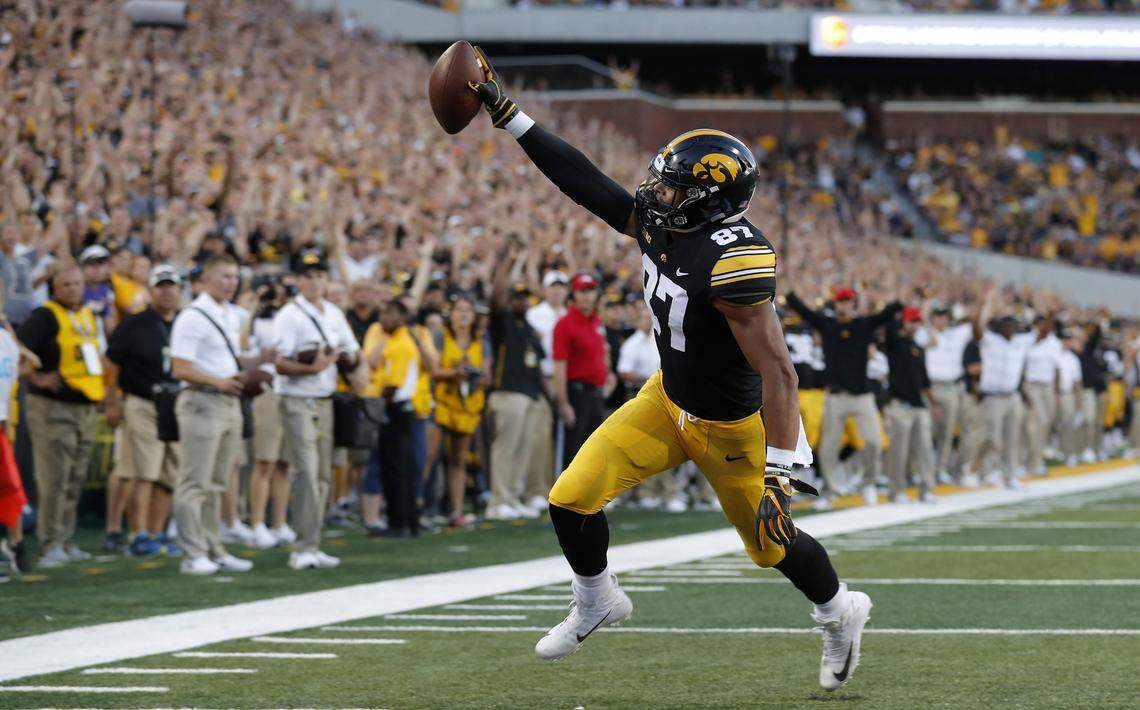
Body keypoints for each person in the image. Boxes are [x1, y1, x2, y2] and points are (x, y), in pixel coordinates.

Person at [470, 49, 871, 691]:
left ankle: (839, 609)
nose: (658, 193)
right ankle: (597, 599)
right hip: (665, 400)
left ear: (710, 202)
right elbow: (587, 183)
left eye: (674, 186)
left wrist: (782, 472)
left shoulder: (734, 260)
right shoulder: (660, 220)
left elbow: (781, 372)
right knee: (570, 499)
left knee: (771, 544)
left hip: (729, 426)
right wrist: (509, 114)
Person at [169, 254, 268, 575]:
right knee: (194, 481)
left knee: (218, 481)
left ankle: (213, 547)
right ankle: (192, 552)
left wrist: (258, 361)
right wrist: (220, 382)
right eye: (224, 276)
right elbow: (180, 367)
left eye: (234, 276)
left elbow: (227, 358)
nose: (231, 282)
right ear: (206, 279)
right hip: (203, 401)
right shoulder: (193, 316)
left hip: (227, 401)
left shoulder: (228, 314)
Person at [272, 249, 361, 569]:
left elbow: (353, 352)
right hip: (297, 399)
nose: (314, 281)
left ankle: (312, 542)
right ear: (297, 280)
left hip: (325, 399)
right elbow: (279, 363)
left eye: (320, 275)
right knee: (306, 472)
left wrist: (349, 363)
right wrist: (311, 366)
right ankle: (302, 547)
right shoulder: (289, 315)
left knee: (322, 474)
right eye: (307, 276)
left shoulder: (334, 313)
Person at [17, 263, 106, 566]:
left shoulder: (86, 315)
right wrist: (37, 378)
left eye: (77, 283)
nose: (73, 289)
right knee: (54, 477)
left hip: (85, 405)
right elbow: (16, 349)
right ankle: (49, 542)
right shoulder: (44, 316)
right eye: (66, 284)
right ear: (54, 287)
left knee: (75, 476)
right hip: (53, 407)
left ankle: (65, 539)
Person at [784, 288, 901, 507]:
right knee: (828, 446)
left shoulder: (863, 325)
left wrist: (899, 297)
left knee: (875, 442)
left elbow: (888, 313)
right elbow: (802, 309)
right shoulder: (828, 325)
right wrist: (791, 290)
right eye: (840, 301)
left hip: (862, 396)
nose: (843, 305)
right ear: (835, 304)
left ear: (853, 304)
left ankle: (868, 482)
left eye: (847, 301)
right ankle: (830, 491)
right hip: (835, 396)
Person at [104, 264, 184, 557]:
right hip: (142, 401)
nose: (166, 291)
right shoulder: (135, 322)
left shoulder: (185, 322)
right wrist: (113, 401)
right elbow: (112, 362)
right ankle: (138, 534)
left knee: (168, 474)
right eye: (160, 286)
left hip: (174, 405)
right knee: (144, 472)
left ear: (180, 290)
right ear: (150, 291)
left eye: (171, 285)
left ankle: (157, 531)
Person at [485, 255, 547, 521]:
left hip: (530, 394)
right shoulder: (503, 321)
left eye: (525, 298)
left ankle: (512, 495)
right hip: (507, 392)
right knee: (505, 448)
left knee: (522, 449)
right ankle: (498, 500)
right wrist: (508, 264)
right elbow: (496, 297)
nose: (521, 301)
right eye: (517, 297)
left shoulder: (530, 329)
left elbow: (538, 365)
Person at [362, 300, 422, 537]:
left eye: (390, 314)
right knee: (397, 467)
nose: (383, 318)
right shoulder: (390, 338)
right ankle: (408, 520)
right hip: (399, 409)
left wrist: (378, 401)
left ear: (401, 317)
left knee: (396, 468)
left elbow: (393, 383)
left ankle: (400, 522)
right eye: (383, 313)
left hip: (396, 408)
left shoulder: (402, 343)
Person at [432, 295, 489, 528]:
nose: (464, 314)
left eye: (468, 310)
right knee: (429, 458)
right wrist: (456, 373)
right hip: (441, 403)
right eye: (459, 310)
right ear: (451, 314)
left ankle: (455, 512)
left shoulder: (480, 340)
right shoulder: (440, 337)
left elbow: (486, 375)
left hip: (467, 406)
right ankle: (419, 509)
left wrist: (474, 375)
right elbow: (434, 371)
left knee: (458, 460)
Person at [971, 289, 1033, 488]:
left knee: (1012, 439)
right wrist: (984, 304)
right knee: (991, 438)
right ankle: (980, 470)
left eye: (1012, 324)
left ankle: (1009, 474)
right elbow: (977, 328)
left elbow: (1043, 333)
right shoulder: (991, 340)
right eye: (1006, 324)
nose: (1009, 327)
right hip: (993, 397)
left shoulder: (1020, 343)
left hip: (1012, 395)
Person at [247, 280, 291, 549]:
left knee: (285, 463)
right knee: (265, 460)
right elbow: (243, 347)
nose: (277, 300)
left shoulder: (296, 320)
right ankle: (256, 523)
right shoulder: (256, 321)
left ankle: (279, 522)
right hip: (267, 389)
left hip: (291, 389)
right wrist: (252, 309)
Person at [552, 273, 608, 467]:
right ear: (573, 294)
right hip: (577, 394)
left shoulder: (596, 321)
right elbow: (559, 366)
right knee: (573, 451)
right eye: (582, 291)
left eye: (590, 290)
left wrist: (608, 377)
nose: (587, 295)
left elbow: (601, 354)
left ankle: (593, 496)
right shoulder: (564, 324)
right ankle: (567, 497)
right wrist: (563, 403)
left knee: (597, 449)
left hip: (596, 394)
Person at [523, 269, 568, 510]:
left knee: (564, 437)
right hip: (540, 377)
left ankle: (560, 488)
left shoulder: (570, 314)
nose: (557, 290)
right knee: (539, 435)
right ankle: (536, 490)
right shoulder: (534, 314)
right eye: (553, 286)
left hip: (566, 377)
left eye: (561, 286)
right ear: (544, 289)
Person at [882, 307, 936, 503]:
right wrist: (901, 312)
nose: (915, 325)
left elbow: (924, 380)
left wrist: (933, 403)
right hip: (900, 403)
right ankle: (896, 490)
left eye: (917, 321)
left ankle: (927, 489)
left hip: (918, 405)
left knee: (925, 450)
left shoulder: (918, 348)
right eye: (912, 321)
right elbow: (888, 327)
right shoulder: (895, 343)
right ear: (904, 322)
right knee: (899, 451)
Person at [915, 306, 973, 482]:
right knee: (925, 432)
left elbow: (977, 321)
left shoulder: (957, 334)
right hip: (929, 387)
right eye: (937, 316)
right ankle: (921, 470)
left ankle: (940, 468)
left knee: (946, 433)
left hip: (950, 387)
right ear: (932, 318)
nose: (940, 320)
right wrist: (926, 318)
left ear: (949, 319)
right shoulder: (923, 333)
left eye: (943, 316)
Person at [1021, 314, 1062, 477]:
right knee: (1034, 425)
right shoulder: (1026, 339)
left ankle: (1036, 458)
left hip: (1048, 385)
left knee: (1045, 424)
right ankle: (1032, 462)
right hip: (1032, 385)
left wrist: (1057, 391)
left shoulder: (1054, 342)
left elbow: (1057, 368)